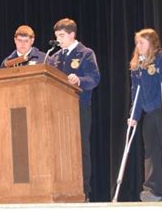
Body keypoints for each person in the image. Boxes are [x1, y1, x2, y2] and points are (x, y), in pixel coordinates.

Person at [127, 28, 162, 202]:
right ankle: (153, 189)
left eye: (141, 43)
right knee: (151, 151)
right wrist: (134, 116)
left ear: (152, 44)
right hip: (149, 113)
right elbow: (135, 91)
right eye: (137, 43)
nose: (138, 46)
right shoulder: (137, 66)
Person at [51, 18, 100, 201]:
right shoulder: (55, 57)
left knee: (80, 150)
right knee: (59, 150)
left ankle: (82, 191)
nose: (58, 40)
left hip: (79, 108)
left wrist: (79, 80)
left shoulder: (85, 53)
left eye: (62, 36)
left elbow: (94, 78)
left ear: (72, 35)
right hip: (57, 112)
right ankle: (62, 190)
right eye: (56, 36)